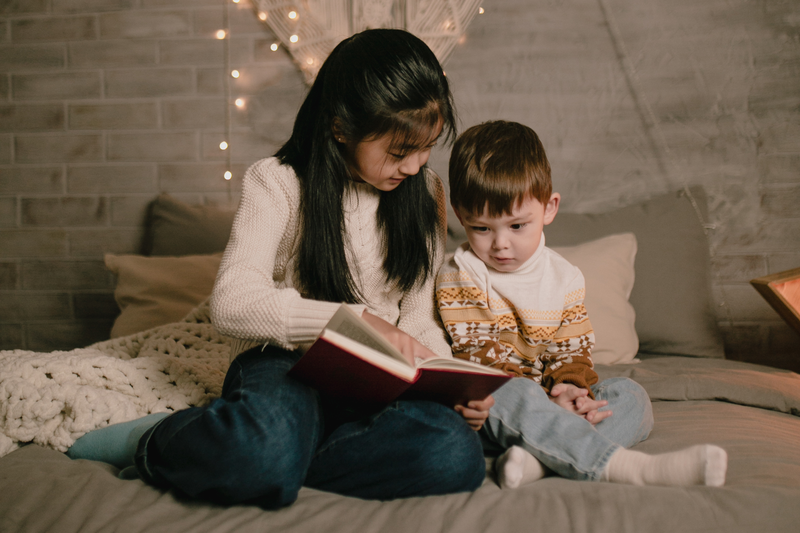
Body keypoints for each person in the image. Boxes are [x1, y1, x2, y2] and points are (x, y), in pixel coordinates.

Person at [66, 29, 487, 509]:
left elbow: (416, 315)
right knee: (264, 446)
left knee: (455, 451)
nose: (414, 166)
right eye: (398, 151)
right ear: (341, 127)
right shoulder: (278, 182)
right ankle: (155, 439)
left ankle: (275, 457)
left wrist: (445, 382)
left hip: (380, 378)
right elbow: (233, 303)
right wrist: (349, 322)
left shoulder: (425, 192)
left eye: (427, 146)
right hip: (288, 362)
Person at [437, 120, 728, 489]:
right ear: (461, 217)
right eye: (482, 228)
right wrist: (546, 402)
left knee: (631, 396)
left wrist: (572, 390)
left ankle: (537, 463)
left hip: (548, 404)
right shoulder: (460, 273)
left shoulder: (564, 278)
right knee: (508, 389)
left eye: (516, 226)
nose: (500, 245)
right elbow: (478, 357)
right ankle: (627, 467)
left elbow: (569, 351)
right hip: (491, 413)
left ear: (549, 208)